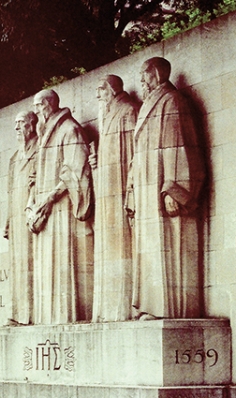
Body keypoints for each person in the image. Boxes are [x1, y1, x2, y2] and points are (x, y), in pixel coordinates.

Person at [127, 57, 205, 319]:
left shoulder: (172, 101)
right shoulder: (149, 105)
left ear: (157, 74)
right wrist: (132, 192)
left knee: (168, 245)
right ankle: (151, 305)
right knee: (150, 247)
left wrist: (175, 190)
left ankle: (167, 309)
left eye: (144, 75)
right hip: (147, 190)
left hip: (163, 191)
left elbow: (181, 145)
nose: (141, 81)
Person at [27, 89, 93, 324]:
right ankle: (49, 318)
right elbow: (34, 177)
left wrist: (50, 199)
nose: (36, 112)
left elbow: (75, 171)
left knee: (63, 263)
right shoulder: (45, 136)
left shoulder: (69, 129)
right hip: (45, 211)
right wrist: (33, 203)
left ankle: (65, 316)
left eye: (38, 106)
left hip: (62, 209)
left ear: (49, 104)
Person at [90, 75, 140, 322]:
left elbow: (136, 153)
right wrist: (97, 165)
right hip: (107, 192)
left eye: (100, 89)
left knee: (123, 245)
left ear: (111, 89)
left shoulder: (128, 111)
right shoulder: (108, 115)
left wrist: (131, 188)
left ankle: (126, 306)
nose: (98, 94)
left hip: (122, 190)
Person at [3, 110, 38, 326]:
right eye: (15, 124)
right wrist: (8, 219)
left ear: (32, 125)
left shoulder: (41, 148)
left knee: (30, 262)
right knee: (17, 265)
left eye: (21, 123)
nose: (17, 128)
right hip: (16, 217)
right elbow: (10, 191)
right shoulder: (14, 158)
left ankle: (31, 314)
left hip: (31, 214)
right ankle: (16, 313)